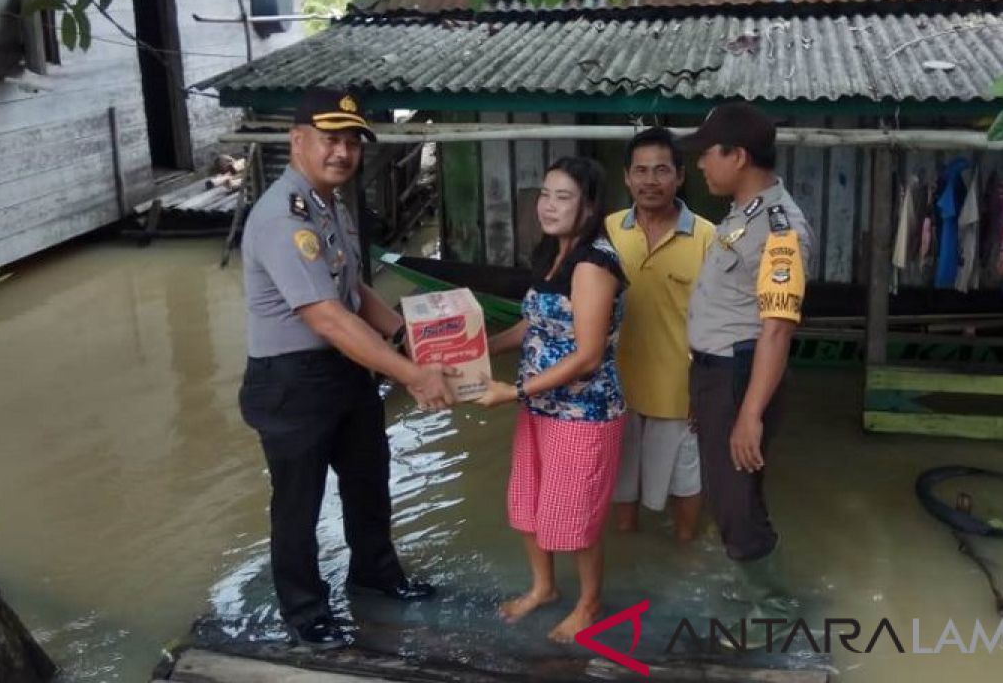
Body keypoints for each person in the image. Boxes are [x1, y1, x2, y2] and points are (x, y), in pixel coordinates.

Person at [238, 87, 456, 650]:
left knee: (368, 482)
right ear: (297, 140)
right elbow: (328, 317)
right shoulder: (282, 218)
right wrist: (411, 375)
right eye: (330, 140)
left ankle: (376, 575)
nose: (342, 153)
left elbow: (353, 288)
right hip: (292, 381)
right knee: (298, 504)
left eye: (352, 142)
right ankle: (305, 610)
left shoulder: (330, 204)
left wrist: (409, 338)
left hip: (347, 372)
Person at [475, 156, 628, 642]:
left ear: (589, 207)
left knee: (575, 512)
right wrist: (482, 347)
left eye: (563, 197)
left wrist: (512, 390)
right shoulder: (553, 252)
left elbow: (587, 355)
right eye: (544, 194)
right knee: (529, 503)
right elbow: (535, 323)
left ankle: (590, 601)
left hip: (583, 413)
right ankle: (544, 588)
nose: (548, 205)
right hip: (539, 407)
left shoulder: (595, 262)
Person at [678, 103, 814, 562]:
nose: (699, 164)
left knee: (736, 507)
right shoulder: (741, 215)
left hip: (739, 375)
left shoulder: (780, 231)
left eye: (706, 153)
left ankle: (768, 608)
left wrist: (749, 414)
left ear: (736, 156)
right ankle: (754, 589)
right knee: (729, 494)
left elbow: (776, 331)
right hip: (720, 376)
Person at [605, 127, 715, 541]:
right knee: (623, 482)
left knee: (687, 481)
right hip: (617, 385)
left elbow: (719, 320)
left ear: (681, 177)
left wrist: (705, 385)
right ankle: (632, 551)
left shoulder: (708, 237)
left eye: (661, 170)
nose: (650, 181)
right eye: (641, 171)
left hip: (679, 389)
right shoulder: (608, 230)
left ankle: (684, 553)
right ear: (627, 178)